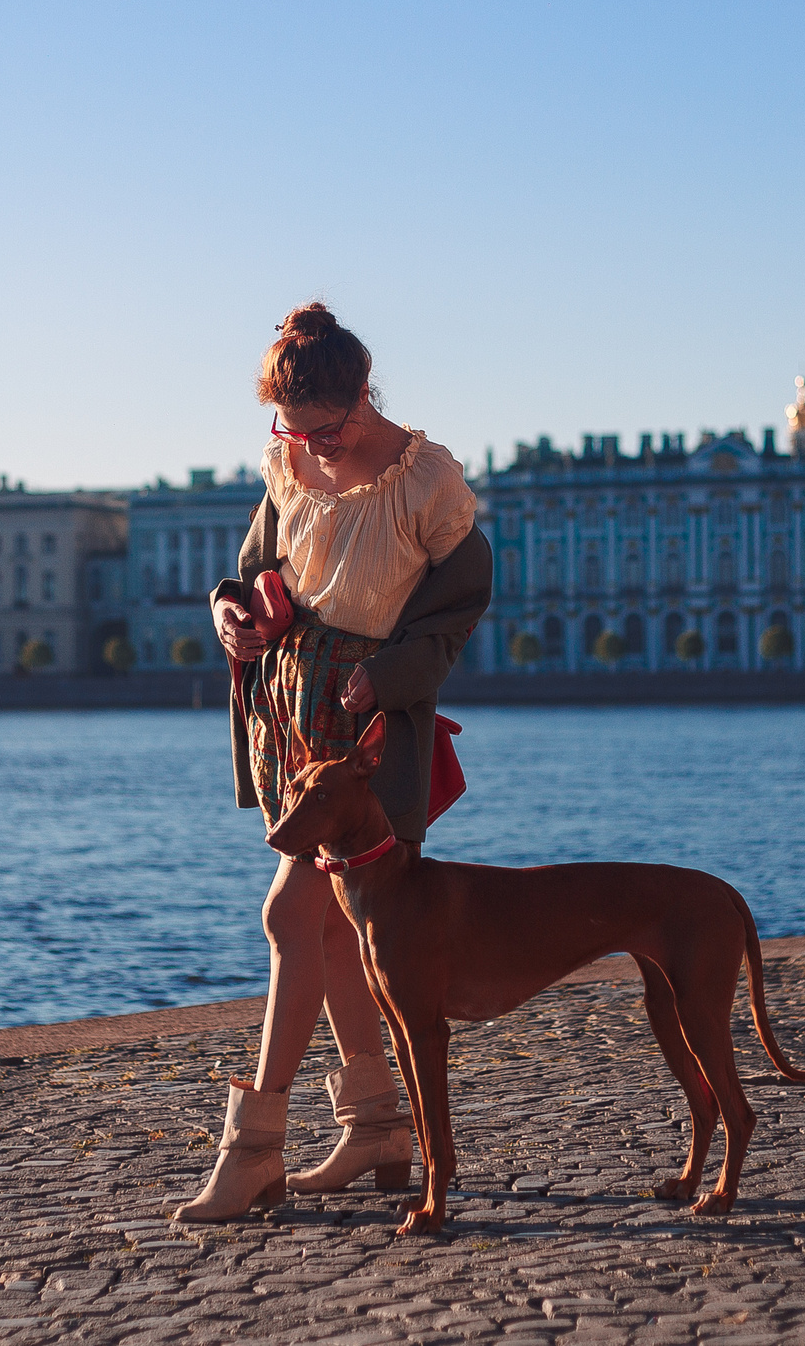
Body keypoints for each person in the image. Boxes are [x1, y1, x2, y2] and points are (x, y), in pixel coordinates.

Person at [174, 302, 492, 1222]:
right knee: (335, 930)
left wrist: (391, 675)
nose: (306, 444)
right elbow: (255, 564)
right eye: (290, 428)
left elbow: (463, 602)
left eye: (321, 428)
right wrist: (228, 609)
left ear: (360, 400)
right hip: (291, 712)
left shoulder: (425, 481)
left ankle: (253, 1149)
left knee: (288, 912)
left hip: (367, 732)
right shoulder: (289, 461)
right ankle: (377, 1126)